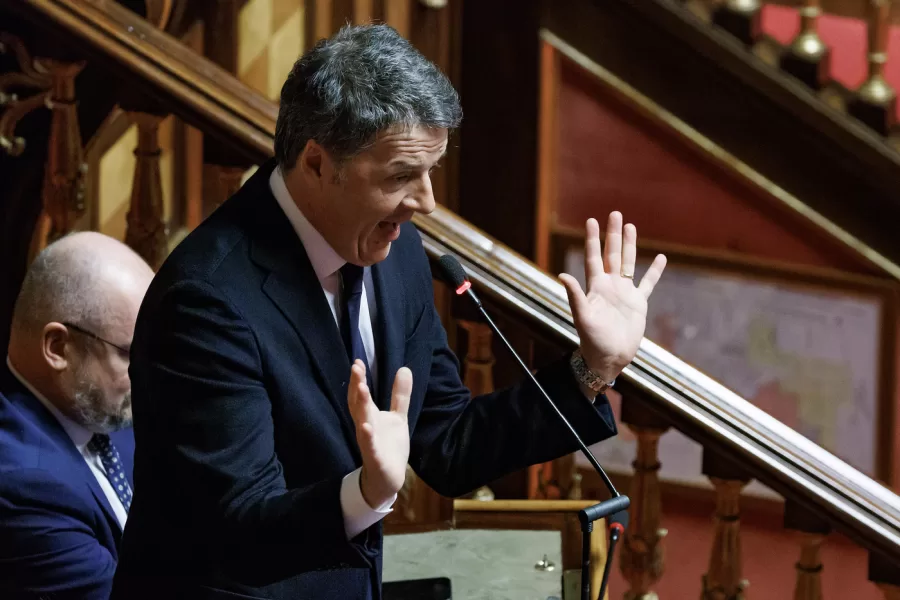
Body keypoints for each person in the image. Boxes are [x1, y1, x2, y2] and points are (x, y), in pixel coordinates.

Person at [112, 24, 667, 600]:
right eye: (402, 176)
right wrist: (365, 492)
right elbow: (240, 531)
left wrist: (591, 369)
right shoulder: (205, 301)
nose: (426, 201)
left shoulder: (393, 251)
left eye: (432, 170)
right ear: (318, 162)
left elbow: (448, 442)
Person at [0, 232, 154, 599]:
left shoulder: (99, 405)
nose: (151, 373)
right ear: (58, 347)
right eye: (130, 352)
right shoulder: (22, 485)